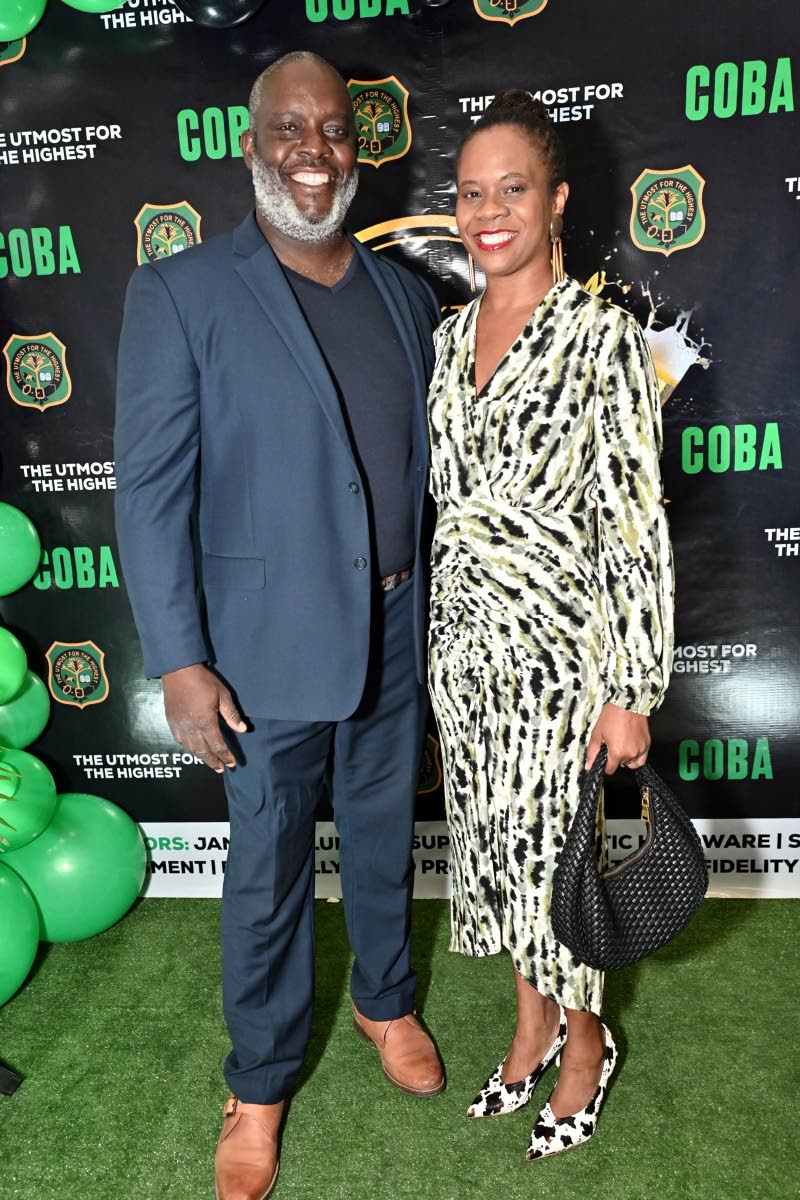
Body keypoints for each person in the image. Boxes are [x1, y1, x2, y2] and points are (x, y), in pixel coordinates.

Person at [115, 51, 444, 1200]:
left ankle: (384, 1002)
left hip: (398, 631)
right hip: (259, 654)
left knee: (381, 844)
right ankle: (257, 1084)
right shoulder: (183, 292)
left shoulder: (409, 297)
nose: (314, 150)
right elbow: (149, 491)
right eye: (289, 129)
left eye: (334, 130)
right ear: (250, 144)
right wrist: (182, 659)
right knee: (266, 873)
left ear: (360, 146)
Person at [427, 90, 674, 1160]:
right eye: (471, 192)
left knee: (574, 861)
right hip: (466, 655)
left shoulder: (602, 338)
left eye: (511, 189)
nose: (489, 212)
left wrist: (632, 694)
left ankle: (585, 1041)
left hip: (570, 660)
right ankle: (527, 1021)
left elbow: (632, 525)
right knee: (493, 853)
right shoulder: (444, 340)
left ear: (556, 200)